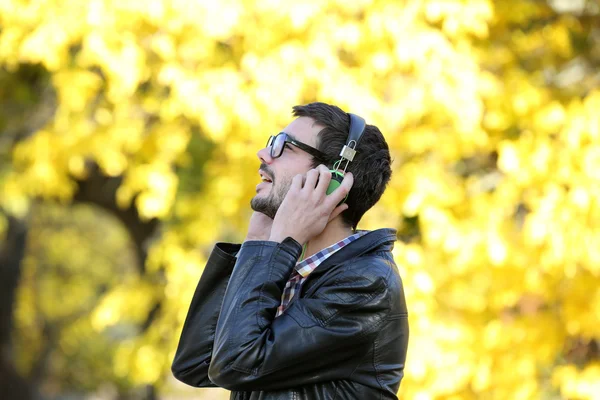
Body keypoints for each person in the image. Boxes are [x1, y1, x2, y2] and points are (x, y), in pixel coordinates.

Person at [172, 102, 409, 399]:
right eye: (272, 142)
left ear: (331, 180)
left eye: (284, 147)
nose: (263, 154)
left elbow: (235, 363)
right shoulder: (288, 274)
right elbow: (196, 363)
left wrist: (275, 246)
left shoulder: (366, 284)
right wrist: (257, 242)